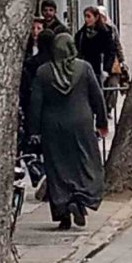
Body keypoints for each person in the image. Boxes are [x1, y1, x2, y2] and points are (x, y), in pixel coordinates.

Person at [30, 33, 108, 230]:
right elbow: (97, 96)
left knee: (57, 168)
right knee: (85, 163)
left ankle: (63, 211)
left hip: (52, 126)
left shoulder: (43, 72)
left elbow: (36, 103)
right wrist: (102, 121)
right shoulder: (84, 68)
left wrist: (34, 130)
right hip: (81, 123)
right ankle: (80, 199)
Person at [96, 5, 129, 113]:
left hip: (112, 63)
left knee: (113, 85)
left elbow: (117, 45)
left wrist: (122, 60)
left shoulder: (111, 29)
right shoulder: (93, 30)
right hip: (99, 62)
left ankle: (109, 108)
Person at [75, 6, 117, 87]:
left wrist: (106, 69)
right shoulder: (81, 34)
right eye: (85, 16)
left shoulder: (105, 33)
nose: (86, 19)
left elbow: (110, 51)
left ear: (96, 17)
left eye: (89, 16)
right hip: (85, 70)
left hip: (99, 70)